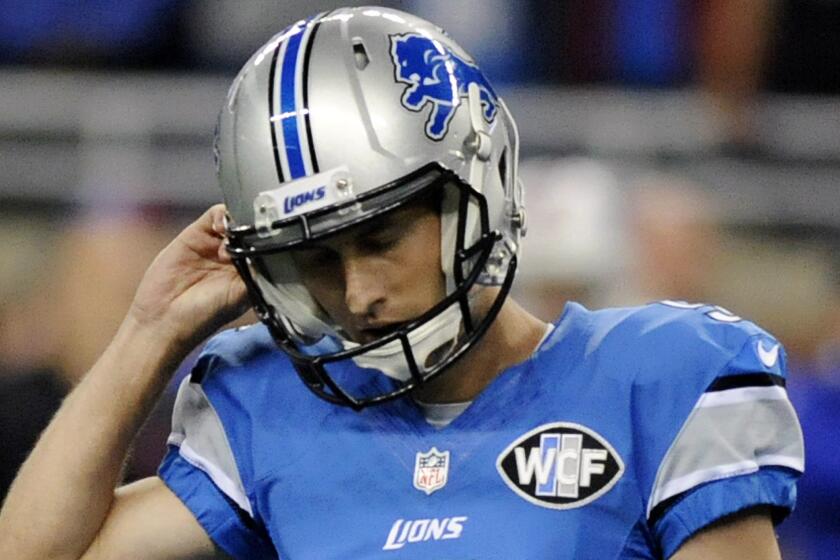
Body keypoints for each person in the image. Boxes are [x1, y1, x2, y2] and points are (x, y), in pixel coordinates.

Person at [0, 7, 803, 559]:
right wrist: (150, 331)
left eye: (380, 237)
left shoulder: (663, 376)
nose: (356, 294)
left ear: (477, 187)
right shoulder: (270, 410)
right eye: (314, 259)